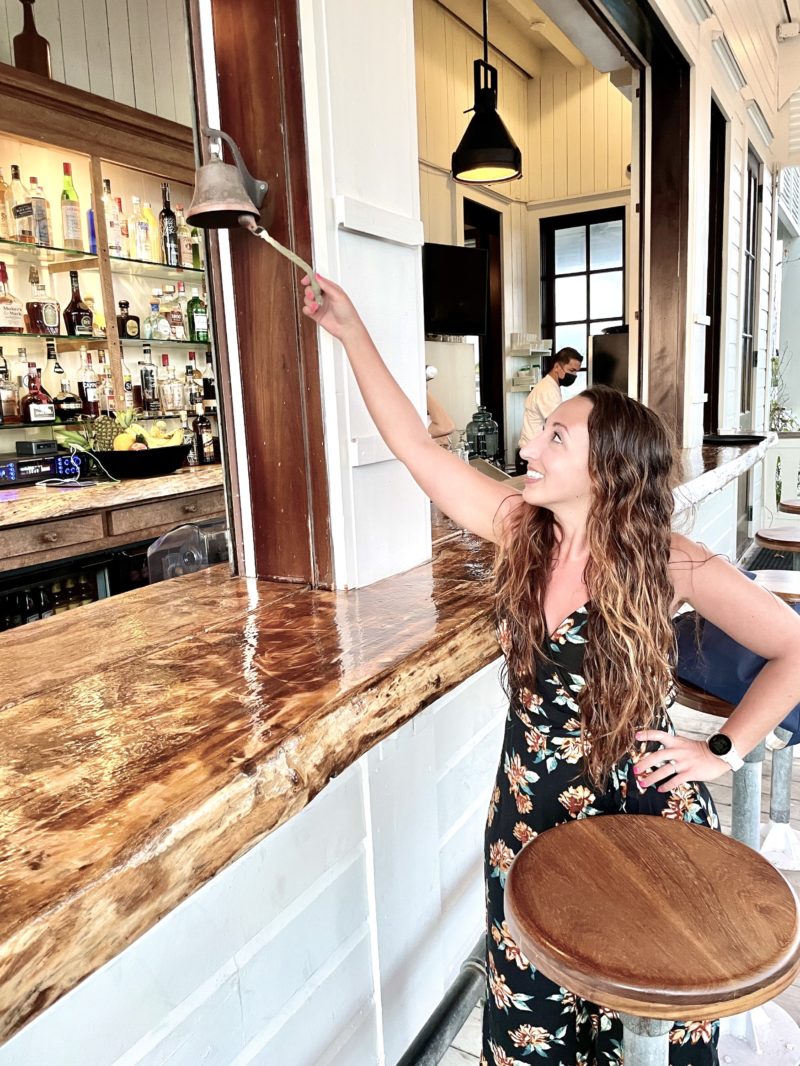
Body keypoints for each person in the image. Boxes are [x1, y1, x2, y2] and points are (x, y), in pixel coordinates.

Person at [300, 273, 800, 1066]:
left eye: (556, 437)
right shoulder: (517, 529)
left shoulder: (670, 564)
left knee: (641, 1022)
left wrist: (721, 750)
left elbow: (795, 649)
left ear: (608, 468)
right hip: (528, 807)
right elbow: (415, 446)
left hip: (638, 811)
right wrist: (353, 331)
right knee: (531, 1014)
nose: (530, 445)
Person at [517, 346, 583, 455]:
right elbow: (558, 426)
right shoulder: (547, 390)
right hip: (533, 454)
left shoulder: (551, 387)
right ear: (557, 367)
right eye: (571, 370)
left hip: (536, 451)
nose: (574, 375)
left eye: (576, 372)